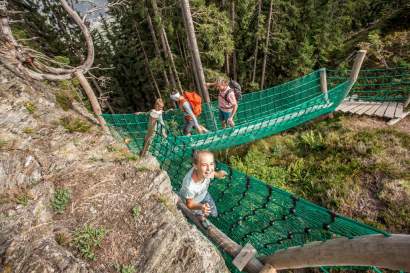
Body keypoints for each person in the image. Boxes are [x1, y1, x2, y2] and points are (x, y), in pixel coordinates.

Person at [179, 150, 227, 228]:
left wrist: (217, 174)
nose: (209, 168)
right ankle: (200, 218)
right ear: (195, 166)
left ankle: (211, 216)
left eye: (211, 164)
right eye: (204, 165)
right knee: (198, 216)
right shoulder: (190, 186)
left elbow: (211, 172)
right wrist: (201, 206)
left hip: (204, 195)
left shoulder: (205, 172)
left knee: (214, 213)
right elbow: (189, 204)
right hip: (193, 201)